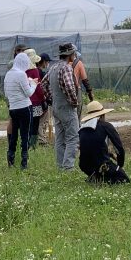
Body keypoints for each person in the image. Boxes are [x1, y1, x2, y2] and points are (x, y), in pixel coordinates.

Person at [43, 42, 81, 170]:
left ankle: (60, 166)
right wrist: (74, 101)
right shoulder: (66, 68)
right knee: (73, 137)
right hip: (66, 107)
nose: (74, 55)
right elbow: (70, 87)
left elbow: (43, 84)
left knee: (60, 138)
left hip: (56, 107)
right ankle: (68, 167)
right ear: (70, 54)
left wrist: (51, 97)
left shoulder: (53, 67)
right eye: (73, 53)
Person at [78, 100, 130, 184]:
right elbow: (119, 148)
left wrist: (110, 154)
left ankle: (96, 177)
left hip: (85, 167)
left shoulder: (82, 129)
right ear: (102, 115)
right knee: (124, 180)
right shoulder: (106, 126)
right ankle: (102, 179)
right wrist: (120, 165)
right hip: (102, 166)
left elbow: (91, 148)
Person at [4, 50, 37, 169]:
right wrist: (33, 84)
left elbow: (7, 93)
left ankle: (11, 159)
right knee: (25, 134)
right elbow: (28, 93)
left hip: (13, 108)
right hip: (25, 108)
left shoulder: (9, 74)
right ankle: (24, 162)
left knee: (14, 135)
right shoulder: (21, 74)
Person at [24, 49, 46, 150]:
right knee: (35, 124)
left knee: (27, 124)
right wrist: (43, 99)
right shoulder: (34, 70)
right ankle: (32, 145)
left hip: (25, 102)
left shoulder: (22, 71)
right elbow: (38, 87)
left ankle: (26, 143)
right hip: (36, 102)